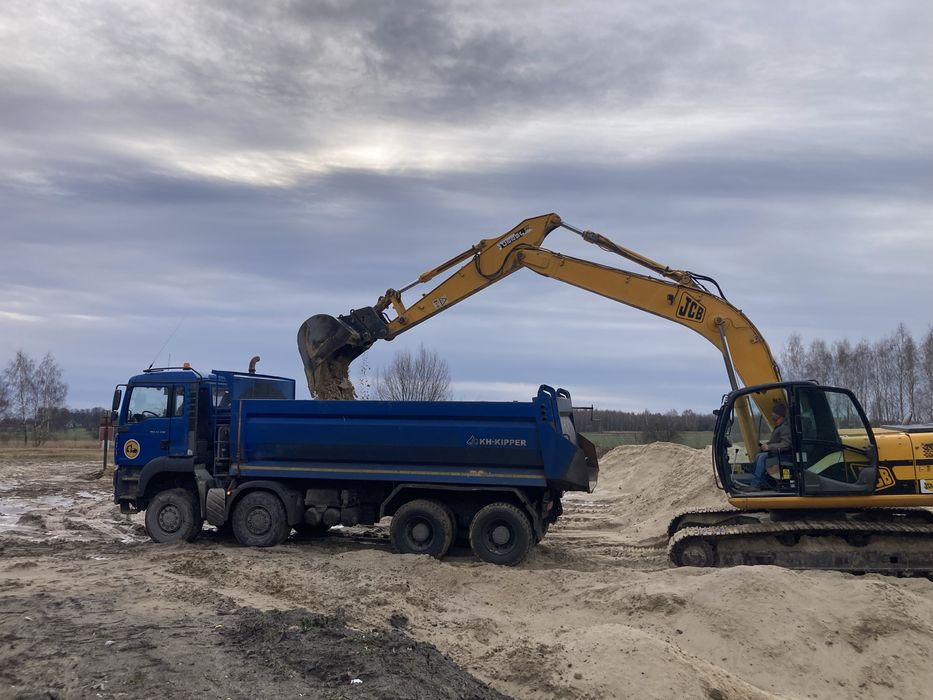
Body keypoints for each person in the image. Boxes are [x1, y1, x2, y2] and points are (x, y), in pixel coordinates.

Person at [746, 403, 791, 490]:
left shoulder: (785, 427)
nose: (771, 414)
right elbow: (777, 442)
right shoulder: (779, 426)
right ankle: (761, 482)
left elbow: (786, 444)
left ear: (778, 414)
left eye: (773, 412)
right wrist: (766, 445)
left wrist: (769, 447)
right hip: (777, 454)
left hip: (783, 455)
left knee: (762, 457)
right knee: (759, 455)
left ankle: (755, 484)